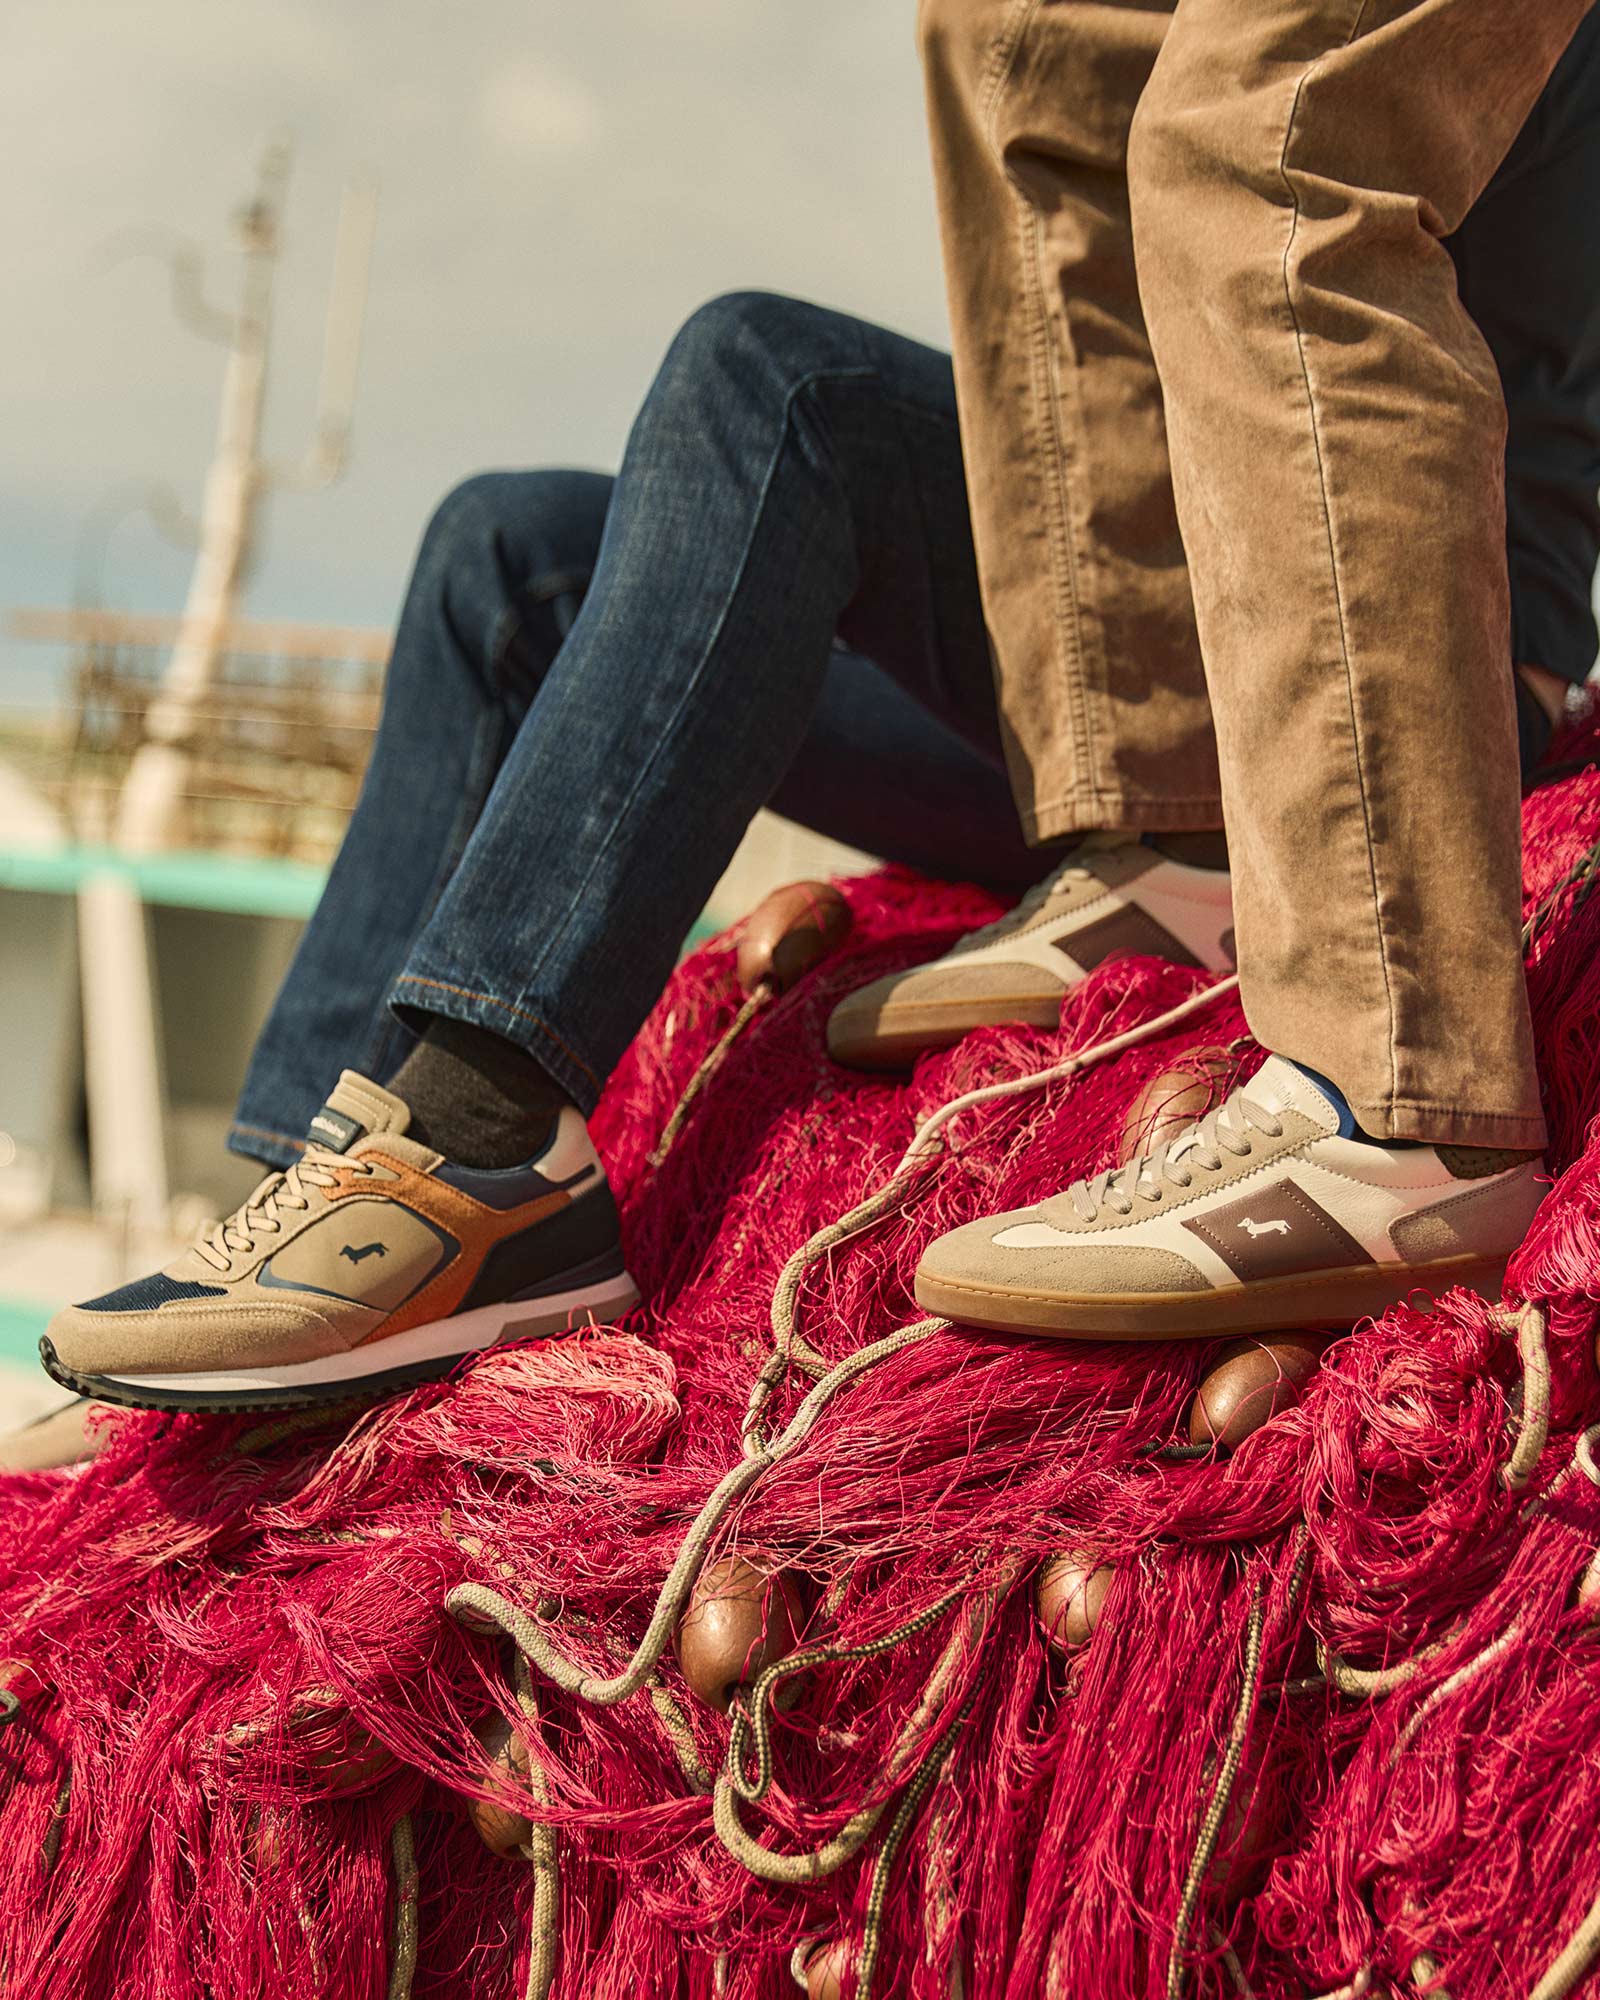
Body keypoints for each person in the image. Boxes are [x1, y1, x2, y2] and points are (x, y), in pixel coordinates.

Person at [39, 3, 1600, 1408]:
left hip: (1393, 689)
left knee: (767, 380)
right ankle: (286, 1213)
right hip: (1122, 684)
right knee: (500, 557)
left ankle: (486, 1148)